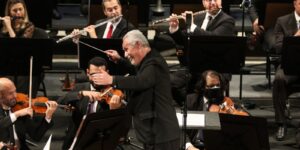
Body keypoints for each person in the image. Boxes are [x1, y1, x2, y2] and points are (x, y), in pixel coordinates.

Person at [94, 30, 180, 150]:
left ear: (138, 45)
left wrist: (112, 80)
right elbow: (139, 73)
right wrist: (120, 60)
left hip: (161, 133)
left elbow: (141, 81)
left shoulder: (155, 63)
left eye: (126, 49)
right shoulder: (149, 60)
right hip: (154, 133)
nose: (125, 54)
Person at [166, 0, 235, 107]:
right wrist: (175, 29)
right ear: (203, 2)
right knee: (169, 82)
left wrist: (192, 26)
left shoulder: (227, 21)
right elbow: (183, 41)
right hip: (195, 67)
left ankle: (198, 106)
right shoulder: (198, 18)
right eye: (208, 0)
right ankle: (188, 105)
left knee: (200, 83)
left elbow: (212, 41)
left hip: (217, 69)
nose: (212, 3)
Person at [58, 57, 126, 150]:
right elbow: (60, 101)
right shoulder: (80, 87)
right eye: (94, 74)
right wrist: (82, 93)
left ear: (107, 73)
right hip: (78, 139)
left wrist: (113, 110)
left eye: (101, 74)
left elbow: (121, 125)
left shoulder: (115, 92)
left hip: (102, 140)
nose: (97, 78)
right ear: (88, 72)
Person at [185, 70, 249, 150]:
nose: (215, 89)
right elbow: (181, 128)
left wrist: (232, 113)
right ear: (202, 87)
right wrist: (189, 146)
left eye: (217, 85)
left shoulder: (226, 101)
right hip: (195, 145)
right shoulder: (191, 100)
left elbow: (247, 120)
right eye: (211, 86)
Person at [0, 0, 49, 98]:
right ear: (9, 13)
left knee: (22, 78)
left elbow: (19, 48)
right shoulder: (2, 33)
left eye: (20, 9)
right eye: (15, 10)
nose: (18, 13)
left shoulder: (31, 30)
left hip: (29, 69)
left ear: (24, 11)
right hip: (7, 69)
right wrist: (8, 28)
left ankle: (21, 105)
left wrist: (10, 28)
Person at [0, 77, 57, 149]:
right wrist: (17, 114)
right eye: (10, 93)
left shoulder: (20, 109)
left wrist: (48, 117)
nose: (15, 95)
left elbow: (36, 136)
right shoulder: (19, 112)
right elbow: (1, 124)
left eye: (15, 91)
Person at [272, 0, 300, 141]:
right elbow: (278, 47)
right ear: (295, 4)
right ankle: (281, 123)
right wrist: (296, 37)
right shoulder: (282, 21)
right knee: (278, 79)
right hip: (289, 65)